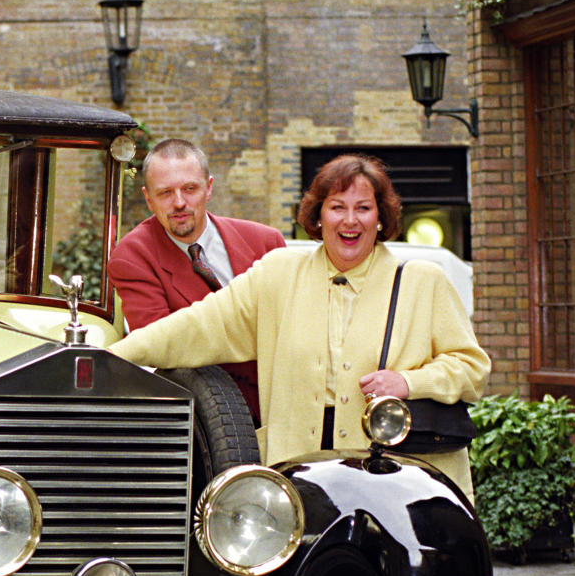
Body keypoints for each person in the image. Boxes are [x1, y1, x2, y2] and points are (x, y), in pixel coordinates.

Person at [108, 153, 489, 497]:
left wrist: (409, 382)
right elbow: (194, 328)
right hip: (297, 480)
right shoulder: (279, 273)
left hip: (399, 479)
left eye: (364, 208)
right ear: (318, 215)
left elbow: (472, 369)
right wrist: (107, 356)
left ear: (381, 217)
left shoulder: (425, 281)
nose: (350, 220)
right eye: (337, 207)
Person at [108, 138, 285, 419]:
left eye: (190, 189)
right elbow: (165, 345)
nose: (179, 203)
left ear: (209, 188)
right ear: (148, 199)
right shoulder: (132, 257)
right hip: (212, 421)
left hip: (287, 404)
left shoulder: (266, 242)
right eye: (165, 193)